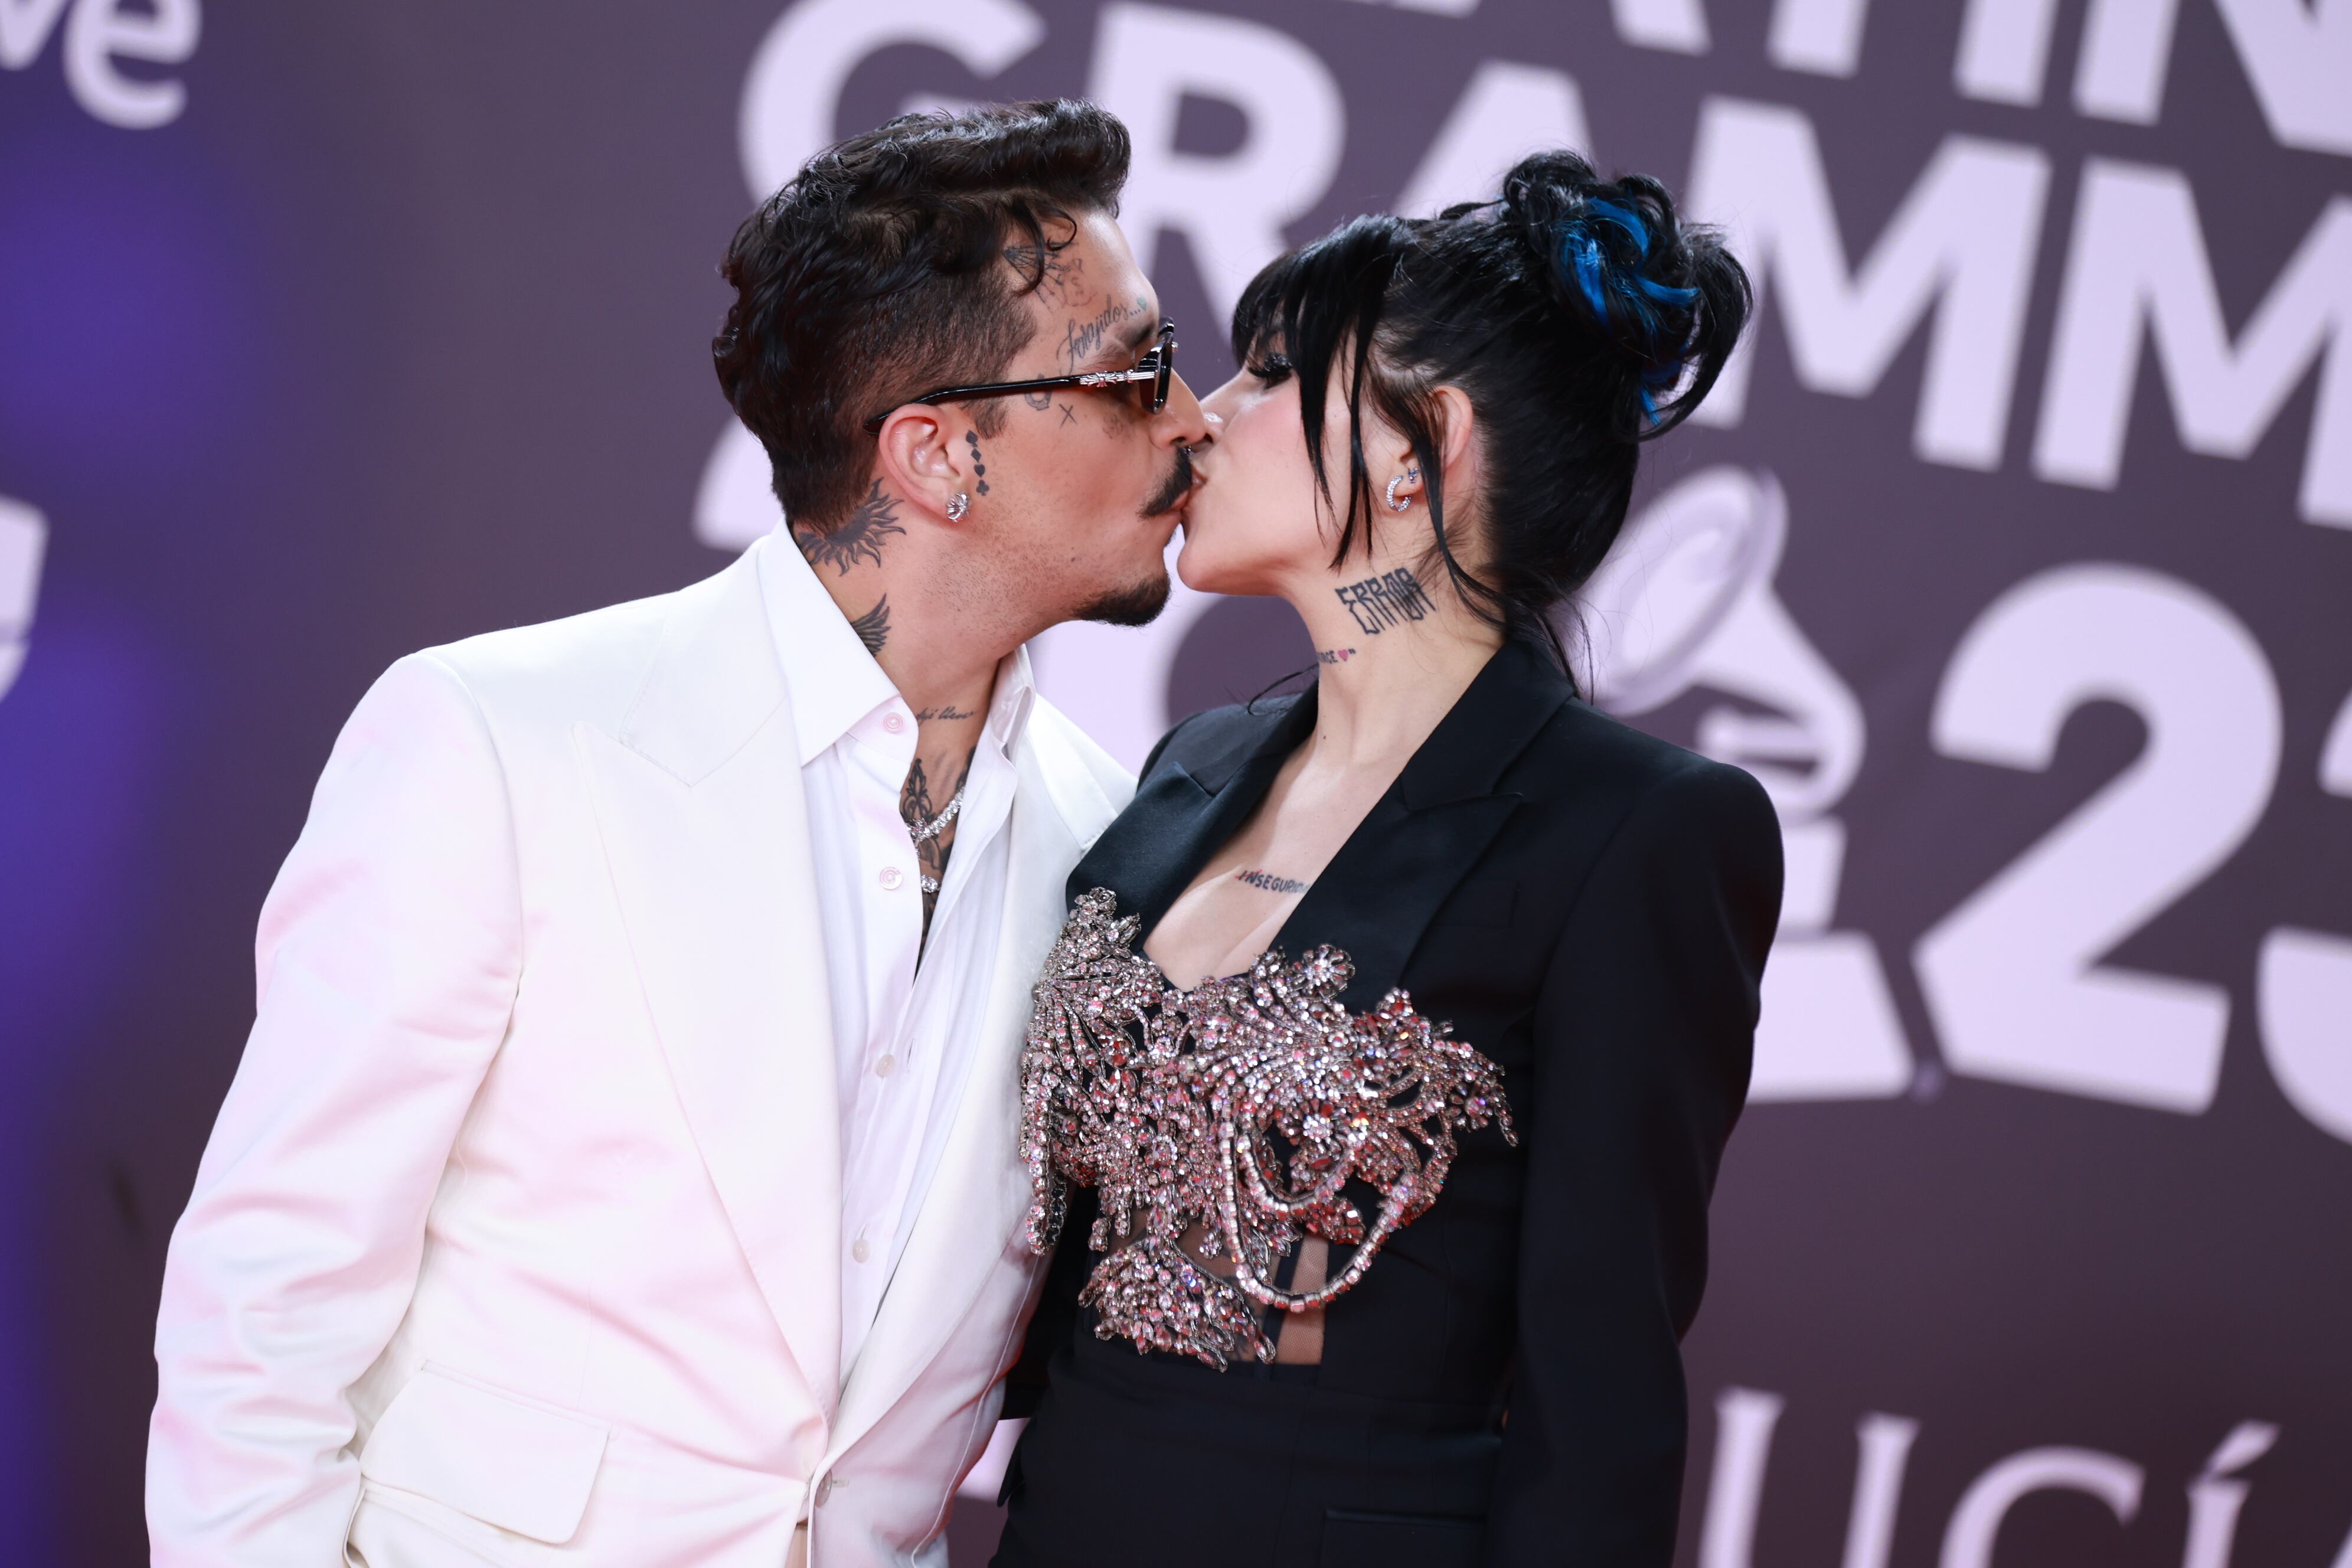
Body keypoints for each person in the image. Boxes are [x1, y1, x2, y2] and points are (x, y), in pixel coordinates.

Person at [146, 99, 1212, 1567]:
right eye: (1136, 370)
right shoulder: (504, 740)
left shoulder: (1118, 835)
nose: (1195, 417)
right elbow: (264, 1308)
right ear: (938, 453)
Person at [994, 151, 1781, 1567]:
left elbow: (1599, 1397)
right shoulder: (1198, 763)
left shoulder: (1640, 831)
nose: (1199, 418)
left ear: (1424, 447)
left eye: (1271, 375)